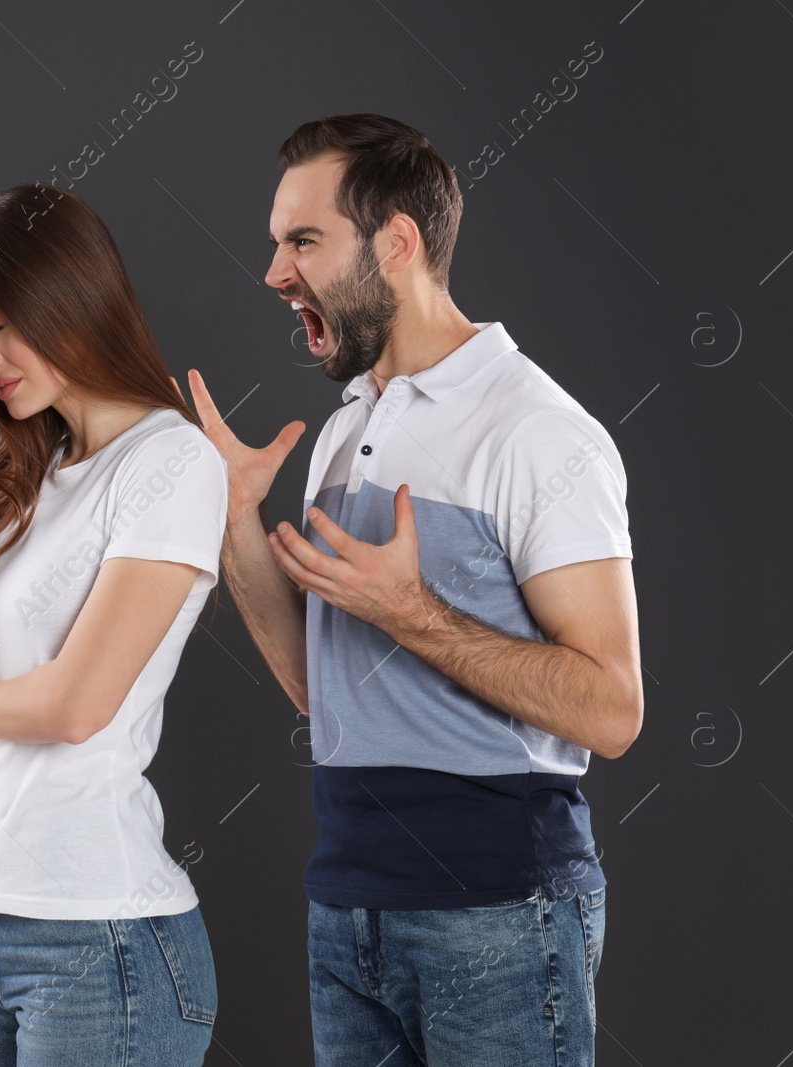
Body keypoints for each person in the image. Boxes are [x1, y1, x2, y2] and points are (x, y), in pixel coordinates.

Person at [185, 113, 641, 1065]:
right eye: (277, 244)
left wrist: (413, 613)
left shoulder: (539, 433)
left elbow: (610, 708)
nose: (275, 272)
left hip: (502, 914)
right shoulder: (347, 432)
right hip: (349, 909)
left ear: (397, 241)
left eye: (303, 241)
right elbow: (330, 695)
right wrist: (233, 523)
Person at [0, 184, 226, 1067]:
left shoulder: (172, 461)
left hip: (104, 941)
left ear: (70, 298)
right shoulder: (24, 474)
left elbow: (77, 704)